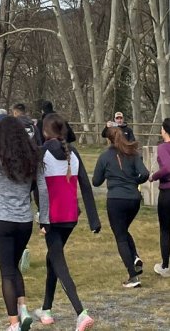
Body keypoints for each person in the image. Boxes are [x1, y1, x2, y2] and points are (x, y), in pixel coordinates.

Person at [0, 116, 47, 331]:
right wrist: (44, 218)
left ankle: (13, 322)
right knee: (13, 266)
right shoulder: (33, 157)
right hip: (24, 220)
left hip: (3, 219)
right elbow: (42, 189)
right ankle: (23, 308)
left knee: (6, 272)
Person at [34, 113, 100, 330]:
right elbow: (86, 186)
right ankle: (46, 309)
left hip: (52, 218)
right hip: (71, 217)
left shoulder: (42, 152)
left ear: (45, 131)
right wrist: (94, 220)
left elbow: (37, 188)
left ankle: (81, 313)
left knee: (59, 263)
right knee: (52, 259)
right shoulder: (73, 152)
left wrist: (41, 217)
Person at [92, 126, 150, 287]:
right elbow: (145, 173)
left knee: (120, 236)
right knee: (123, 230)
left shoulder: (105, 156)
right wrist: (134, 181)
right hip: (134, 199)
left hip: (116, 199)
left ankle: (133, 277)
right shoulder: (132, 153)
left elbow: (96, 181)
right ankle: (135, 257)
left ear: (108, 139)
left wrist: (107, 174)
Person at [150, 118, 170, 277]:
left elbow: (167, 167)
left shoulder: (163, 147)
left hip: (167, 192)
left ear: (164, 130)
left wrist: (154, 176)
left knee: (165, 230)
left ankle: (165, 266)